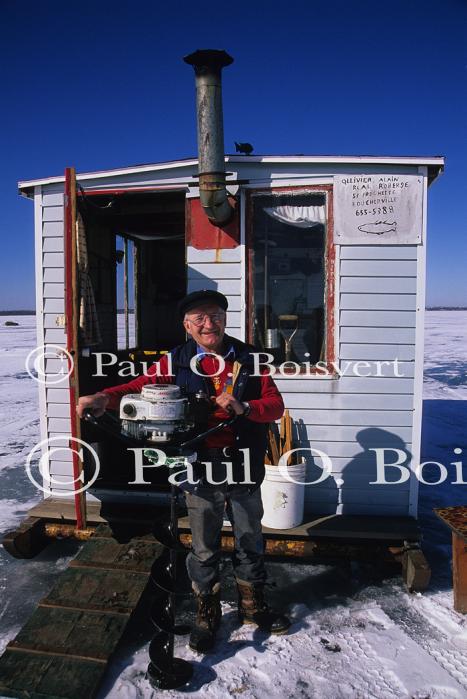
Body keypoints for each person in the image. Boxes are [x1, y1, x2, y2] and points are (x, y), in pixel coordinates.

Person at [77, 289, 290, 652]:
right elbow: (136, 387)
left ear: (225, 318)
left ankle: (253, 606)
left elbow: (274, 406)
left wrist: (244, 406)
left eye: (216, 315)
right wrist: (103, 397)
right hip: (198, 463)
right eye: (200, 318)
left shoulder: (250, 358)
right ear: (187, 326)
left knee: (250, 537)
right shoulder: (174, 360)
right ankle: (206, 611)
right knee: (204, 544)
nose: (210, 324)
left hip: (244, 462)